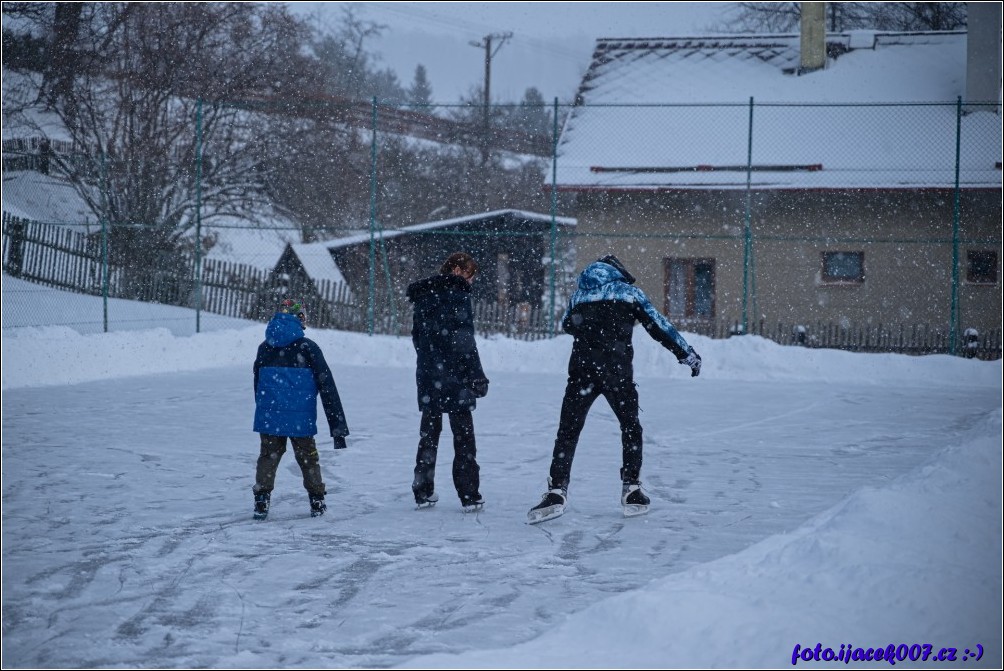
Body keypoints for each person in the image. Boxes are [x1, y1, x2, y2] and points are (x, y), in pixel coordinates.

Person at [527, 255, 702, 524]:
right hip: (616, 372)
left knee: (568, 431)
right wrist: (686, 353)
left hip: (582, 372)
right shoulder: (629, 294)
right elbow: (658, 325)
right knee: (630, 427)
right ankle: (631, 488)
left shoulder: (579, 296)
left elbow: (567, 324)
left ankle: (556, 490)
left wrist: (591, 325)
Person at [406, 252, 490, 512]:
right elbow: (465, 340)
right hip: (457, 376)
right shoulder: (458, 295)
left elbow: (417, 337)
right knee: (464, 438)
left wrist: (431, 360)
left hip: (430, 374)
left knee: (429, 435)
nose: (471, 280)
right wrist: (476, 375)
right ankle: (469, 494)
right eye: (470, 274)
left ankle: (423, 491)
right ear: (456, 270)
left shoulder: (423, 295)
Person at [252, 298, 349, 520]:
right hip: (300, 418)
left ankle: (261, 499)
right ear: (300, 318)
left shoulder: (264, 347)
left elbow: (258, 385)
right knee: (308, 457)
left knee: (268, 456)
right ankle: (316, 499)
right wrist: (338, 428)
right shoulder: (308, 348)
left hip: (270, 416)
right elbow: (327, 387)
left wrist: (267, 409)